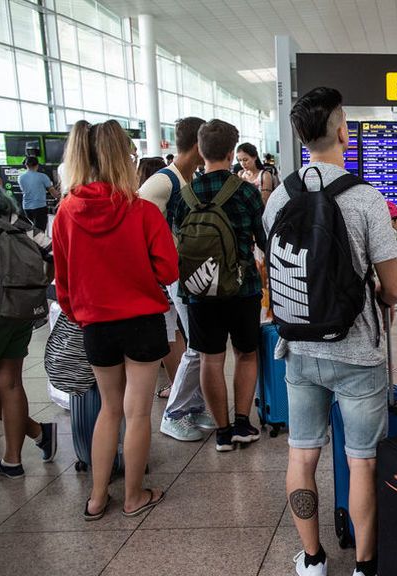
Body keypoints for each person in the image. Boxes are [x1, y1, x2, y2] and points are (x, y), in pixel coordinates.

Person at [263, 86, 397, 576]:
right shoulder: (366, 199)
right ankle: (366, 565)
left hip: (298, 349)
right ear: (343, 132)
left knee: (302, 456)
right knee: (362, 461)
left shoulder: (279, 196)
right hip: (359, 353)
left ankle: (313, 559)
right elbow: (395, 288)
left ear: (302, 137)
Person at [53, 120, 177, 519]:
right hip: (141, 320)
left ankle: (96, 496)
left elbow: (63, 279)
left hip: (95, 325)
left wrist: (81, 313)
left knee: (108, 409)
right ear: (122, 157)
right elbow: (169, 269)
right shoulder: (140, 210)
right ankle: (134, 496)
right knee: (137, 411)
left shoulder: (66, 211)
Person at [172, 120, 266, 453]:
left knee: (210, 359)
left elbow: (177, 241)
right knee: (245, 354)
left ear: (200, 151)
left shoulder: (183, 195)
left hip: (198, 291)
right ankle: (243, 423)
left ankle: (222, 432)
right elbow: (263, 238)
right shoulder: (246, 192)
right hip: (242, 289)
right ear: (231, 153)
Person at [137, 117, 215, 441]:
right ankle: (175, 413)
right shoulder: (162, 183)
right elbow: (140, 233)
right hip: (172, 278)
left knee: (197, 343)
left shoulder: (184, 179)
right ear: (197, 146)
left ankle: (192, 407)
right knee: (198, 344)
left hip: (184, 274)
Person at [0, 163, 58, 478]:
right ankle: (13, 458)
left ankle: (37, 433)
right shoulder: (10, 214)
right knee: (10, 382)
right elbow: (50, 251)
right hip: (20, 308)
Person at [19, 156, 57, 233]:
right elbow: (53, 192)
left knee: (31, 230)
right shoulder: (43, 176)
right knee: (40, 231)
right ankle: (38, 245)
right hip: (39, 207)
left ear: (26, 165)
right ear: (37, 165)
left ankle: (32, 244)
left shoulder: (20, 177)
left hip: (26, 207)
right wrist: (60, 197)